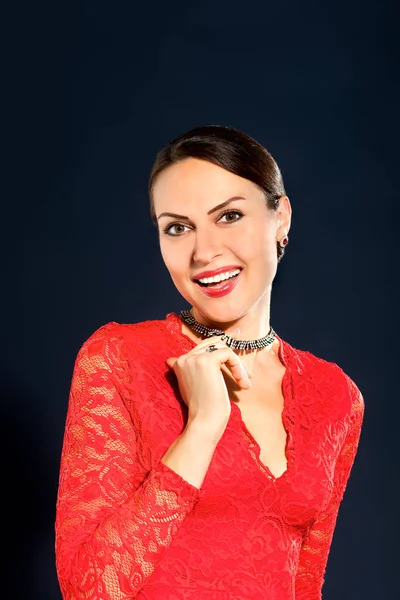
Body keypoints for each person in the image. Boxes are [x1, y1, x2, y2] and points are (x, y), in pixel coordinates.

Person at [55, 125, 364, 600]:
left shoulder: (335, 396)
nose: (204, 252)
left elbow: (306, 583)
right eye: (177, 228)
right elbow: (87, 589)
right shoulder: (120, 358)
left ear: (280, 218)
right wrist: (202, 425)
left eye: (230, 216)